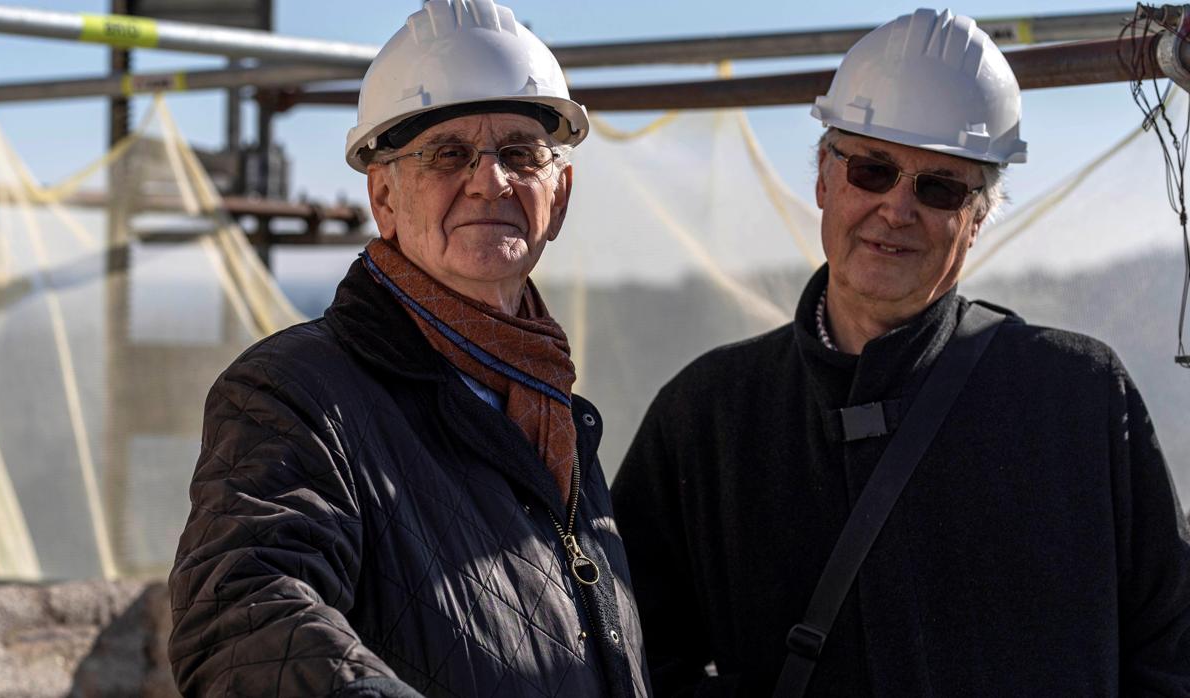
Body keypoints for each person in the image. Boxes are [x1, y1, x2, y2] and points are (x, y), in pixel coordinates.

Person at [613, 8, 1190, 696]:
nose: (897, 209)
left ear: (977, 218)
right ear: (825, 178)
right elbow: (632, 658)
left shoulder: (1081, 395)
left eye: (940, 187)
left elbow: (1172, 650)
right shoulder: (707, 416)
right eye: (873, 170)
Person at [168, 2, 649, 696]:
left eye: (520, 153)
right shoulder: (295, 394)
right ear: (384, 197)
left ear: (560, 193)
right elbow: (242, 621)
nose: (490, 180)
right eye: (447, 154)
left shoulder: (554, 416)